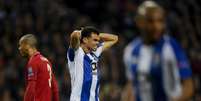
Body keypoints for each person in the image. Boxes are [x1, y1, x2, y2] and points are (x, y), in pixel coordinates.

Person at [123, 1, 194, 101]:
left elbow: (189, 86)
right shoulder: (130, 50)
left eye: (160, 21)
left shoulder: (171, 46)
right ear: (140, 22)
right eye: (151, 21)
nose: (157, 26)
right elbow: (131, 85)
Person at [67, 26, 118, 101]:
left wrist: (96, 35)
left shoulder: (95, 52)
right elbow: (74, 35)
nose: (97, 43)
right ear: (85, 40)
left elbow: (115, 38)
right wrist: (83, 32)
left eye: (98, 40)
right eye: (95, 40)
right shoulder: (77, 53)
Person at [18, 34, 59, 101]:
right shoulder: (46, 61)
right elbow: (55, 88)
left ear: (28, 45)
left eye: (21, 45)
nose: (19, 48)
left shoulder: (33, 62)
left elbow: (31, 86)